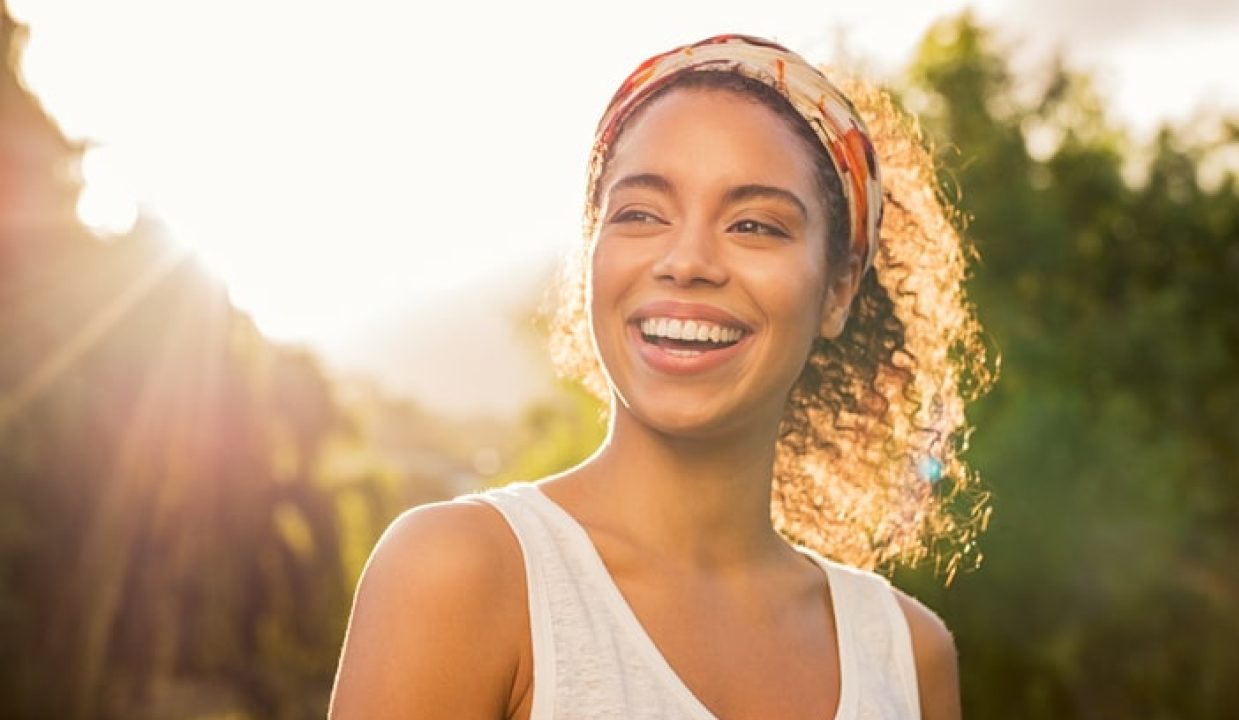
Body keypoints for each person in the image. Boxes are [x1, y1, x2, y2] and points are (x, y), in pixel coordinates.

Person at [329, 33, 991, 720]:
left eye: (756, 225)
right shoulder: (460, 573)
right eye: (641, 214)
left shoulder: (907, 658)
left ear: (838, 291)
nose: (687, 260)